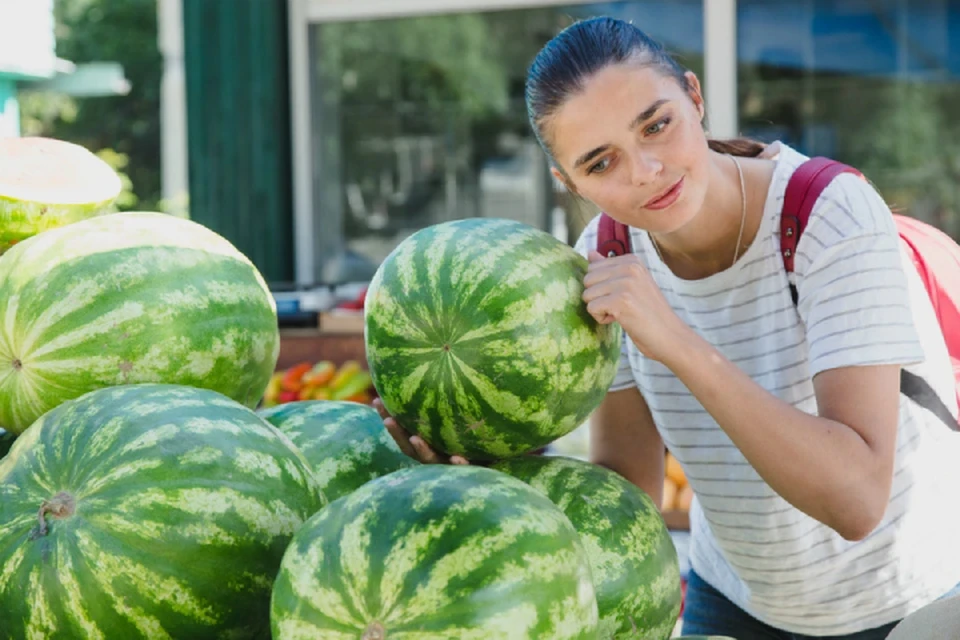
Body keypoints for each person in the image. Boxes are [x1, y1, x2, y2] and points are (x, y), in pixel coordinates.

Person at [375, 16, 960, 639]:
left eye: (657, 125)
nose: (646, 171)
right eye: (601, 163)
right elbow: (629, 490)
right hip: (732, 599)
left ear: (695, 97)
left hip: (906, 601)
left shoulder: (829, 215)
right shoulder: (604, 254)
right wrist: (484, 473)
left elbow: (857, 502)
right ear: (567, 182)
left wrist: (676, 342)